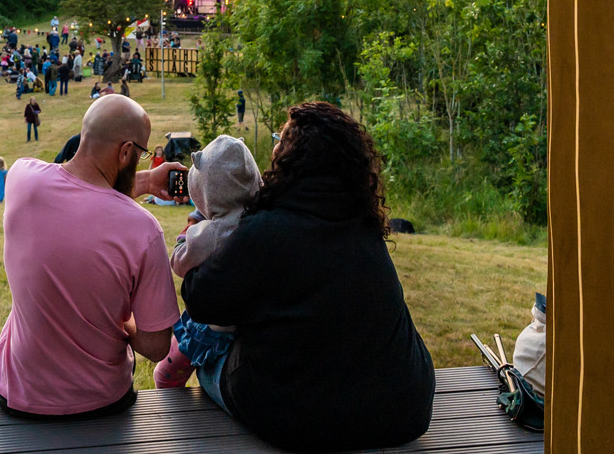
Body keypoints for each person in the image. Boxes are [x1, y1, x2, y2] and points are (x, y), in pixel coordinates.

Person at [180, 103, 435, 450]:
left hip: (300, 420)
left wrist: (199, 240)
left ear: (290, 159)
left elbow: (201, 300)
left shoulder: (266, 230)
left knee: (204, 350)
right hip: (403, 408)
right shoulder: (364, 226)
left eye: (278, 141)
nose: (272, 150)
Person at [0, 94, 178, 419]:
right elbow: (156, 346)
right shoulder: (143, 230)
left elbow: (79, 195)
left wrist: (145, 181)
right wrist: (117, 321)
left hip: (17, 398)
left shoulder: (22, 178)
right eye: (140, 154)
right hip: (101, 403)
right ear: (124, 152)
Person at [152, 134, 261, 388]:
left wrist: (189, 232)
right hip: (248, 328)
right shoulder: (263, 217)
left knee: (165, 375)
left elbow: (178, 261)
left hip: (209, 327)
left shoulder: (211, 233)